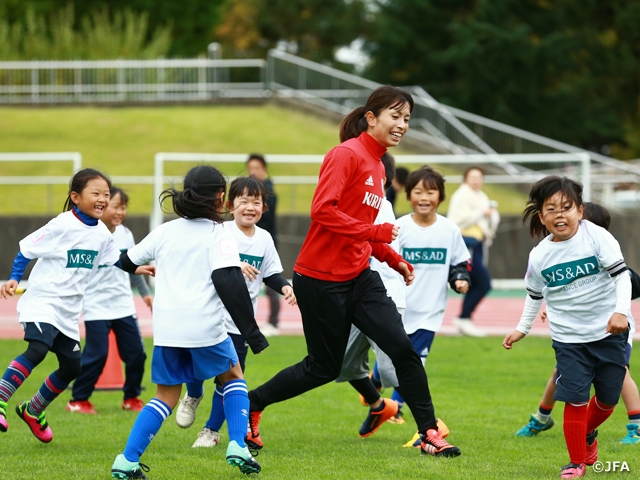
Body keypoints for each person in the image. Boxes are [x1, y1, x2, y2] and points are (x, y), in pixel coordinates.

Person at [245, 85, 461, 459]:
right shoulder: (345, 155)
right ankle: (253, 403)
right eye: (396, 116)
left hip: (360, 276)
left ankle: (429, 433)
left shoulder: (378, 166)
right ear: (372, 118)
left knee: (402, 350)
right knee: (322, 368)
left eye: (407, 119)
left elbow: (359, 226)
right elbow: (323, 211)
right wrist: (376, 234)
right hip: (320, 280)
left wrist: (391, 257)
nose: (402, 125)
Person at [110, 165, 268, 478]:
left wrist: (138, 268)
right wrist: (252, 331)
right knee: (233, 376)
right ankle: (237, 444)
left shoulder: (166, 231)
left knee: (165, 397)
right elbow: (229, 282)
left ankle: (126, 460)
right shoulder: (219, 234)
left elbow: (125, 259)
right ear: (221, 198)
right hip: (205, 327)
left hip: (167, 329)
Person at [0, 168, 152, 443]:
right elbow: (26, 249)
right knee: (38, 348)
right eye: (96, 193)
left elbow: (114, 258)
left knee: (72, 367)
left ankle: (34, 410)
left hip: (69, 313)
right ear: (75, 197)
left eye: (106, 194)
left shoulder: (103, 234)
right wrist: (13, 278)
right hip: (43, 302)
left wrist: (138, 267)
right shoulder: (61, 224)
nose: (103, 199)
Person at [503, 177, 631, 479]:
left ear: (580, 210)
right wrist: (522, 328)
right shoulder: (540, 256)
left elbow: (621, 277)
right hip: (568, 341)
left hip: (608, 334)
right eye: (551, 209)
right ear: (541, 216)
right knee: (575, 398)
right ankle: (576, 463)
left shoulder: (597, 237)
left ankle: (586, 434)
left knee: (608, 400)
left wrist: (620, 312)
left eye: (567, 208)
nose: (560, 215)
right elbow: (535, 294)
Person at [174, 176, 296, 448]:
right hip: (209, 317)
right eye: (243, 201)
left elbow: (271, 273)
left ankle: (210, 432)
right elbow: (203, 264)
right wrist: (233, 264)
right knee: (195, 368)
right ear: (230, 205)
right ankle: (193, 394)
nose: (250, 207)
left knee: (228, 380)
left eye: (256, 202)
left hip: (239, 324)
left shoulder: (264, 238)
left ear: (264, 208)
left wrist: (285, 287)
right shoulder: (219, 232)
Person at [514, 202, 640, 446]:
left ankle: (635, 424)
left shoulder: (609, 261)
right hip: (577, 336)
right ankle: (542, 417)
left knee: (621, 374)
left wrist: (619, 311)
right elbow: (566, 292)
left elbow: (629, 283)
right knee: (559, 374)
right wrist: (552, 309)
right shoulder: (551, 255)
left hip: (611, 333)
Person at [372, 165, 471, 444]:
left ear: (440, 196)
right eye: (418, 191)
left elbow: (460, 263)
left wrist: (460, 280)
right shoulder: (398, 228)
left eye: (431, 191)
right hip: (399, 309)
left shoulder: (450, 230)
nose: (424, 197)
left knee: (415, 364)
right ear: (408, 194)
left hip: (430, 312)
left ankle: (407, 416)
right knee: (390, 363)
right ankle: (376, 389)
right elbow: (382, 263)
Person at [67, 186, 152, 415]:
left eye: (123, 207)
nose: (119, 212)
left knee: (136, 354)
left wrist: (144, 294)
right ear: (103, 207)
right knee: (97, 354)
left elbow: (133, 265)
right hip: (95, 306)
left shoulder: (125, 233)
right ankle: (78, 400)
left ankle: (131, 397)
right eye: (115, 206)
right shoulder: (88, 234)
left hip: (123, 305)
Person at [447, 166, 499, 337]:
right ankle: (464, 317)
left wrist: (488, 213)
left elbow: (489, 219)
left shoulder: (481, 196)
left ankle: (465, 318)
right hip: (465, 243)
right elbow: (456, 220)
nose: (477, 180)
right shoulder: (461, 195)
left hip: (477, 244)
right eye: (473, 176)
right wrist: (480, 213)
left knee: (478, 283)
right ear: (465, 178)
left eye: (479, 177)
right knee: (482, 282)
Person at [246, 153, 281, 337]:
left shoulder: (270, 191)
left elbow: (267, 217)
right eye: (250, 168)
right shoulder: (245, 190)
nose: (253, 171)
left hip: (267, 243)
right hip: (246, 243)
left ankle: (274, 322)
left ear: (264, 169)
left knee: (271, 282)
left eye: (257, 168)